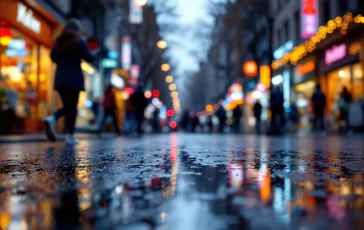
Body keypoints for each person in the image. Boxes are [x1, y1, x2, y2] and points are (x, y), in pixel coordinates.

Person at [44, 19, 96, 144]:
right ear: (77, 30)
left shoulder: (58, 42)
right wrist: (94, 53)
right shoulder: (79, 41)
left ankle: (55, 121)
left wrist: (63, 62)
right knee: (72, 108)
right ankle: (68, 133)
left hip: (60, 78)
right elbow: (89, 57)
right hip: (74, 78)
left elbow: (53, 57)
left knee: (67, 106)